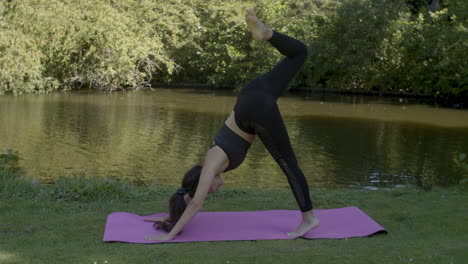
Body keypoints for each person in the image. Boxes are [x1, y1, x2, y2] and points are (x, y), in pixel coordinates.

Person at [144, 9, 320, 241]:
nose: (215, 190)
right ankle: (267, 33)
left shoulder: (211, 166)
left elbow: (196, 203)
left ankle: (309, 218)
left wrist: (169, 236)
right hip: (251, 94)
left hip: (255, 110)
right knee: (299, 53)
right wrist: (170, 218)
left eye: (209, 189)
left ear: (203, 182)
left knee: (288, 164)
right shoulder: (207, 162)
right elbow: (188, 197)